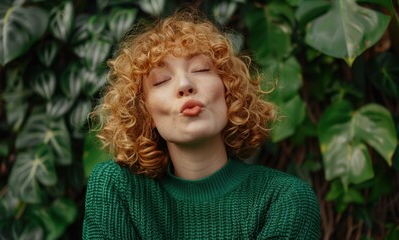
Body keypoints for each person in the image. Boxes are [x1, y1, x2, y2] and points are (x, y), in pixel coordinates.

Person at [83, 9, 320, 239]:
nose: (185, 84)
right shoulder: (117, 189)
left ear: (229, 92)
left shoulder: (284, 199)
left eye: (201, 69)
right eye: (162, 80)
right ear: (145, 112)